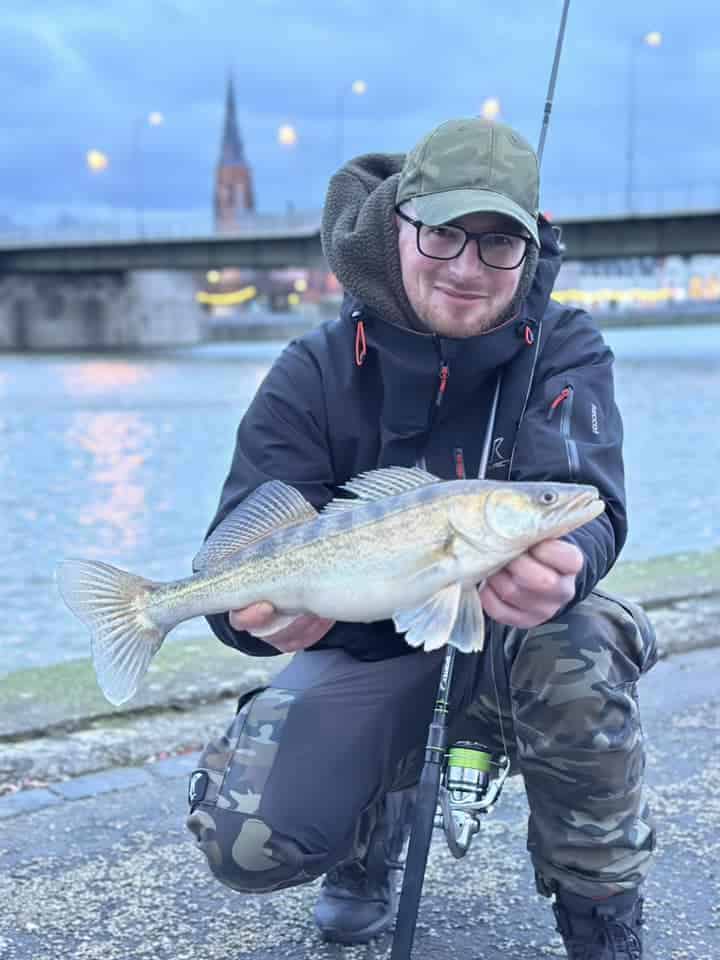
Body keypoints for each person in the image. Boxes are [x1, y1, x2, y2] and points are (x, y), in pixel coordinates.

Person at [185, 117, 657, 959]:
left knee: (580, 643)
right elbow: (241, 532)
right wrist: (243, 619)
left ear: (533, 246)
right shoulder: (313, 370)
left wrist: (570, 564)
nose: (468, 270)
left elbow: (591, 501)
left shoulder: (566, 349)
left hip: (515, 645)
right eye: (443, 235)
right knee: (247, 842)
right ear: (398, 226)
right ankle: (370, 835)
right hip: (370, 649)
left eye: (498, 244)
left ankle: (602, 918)